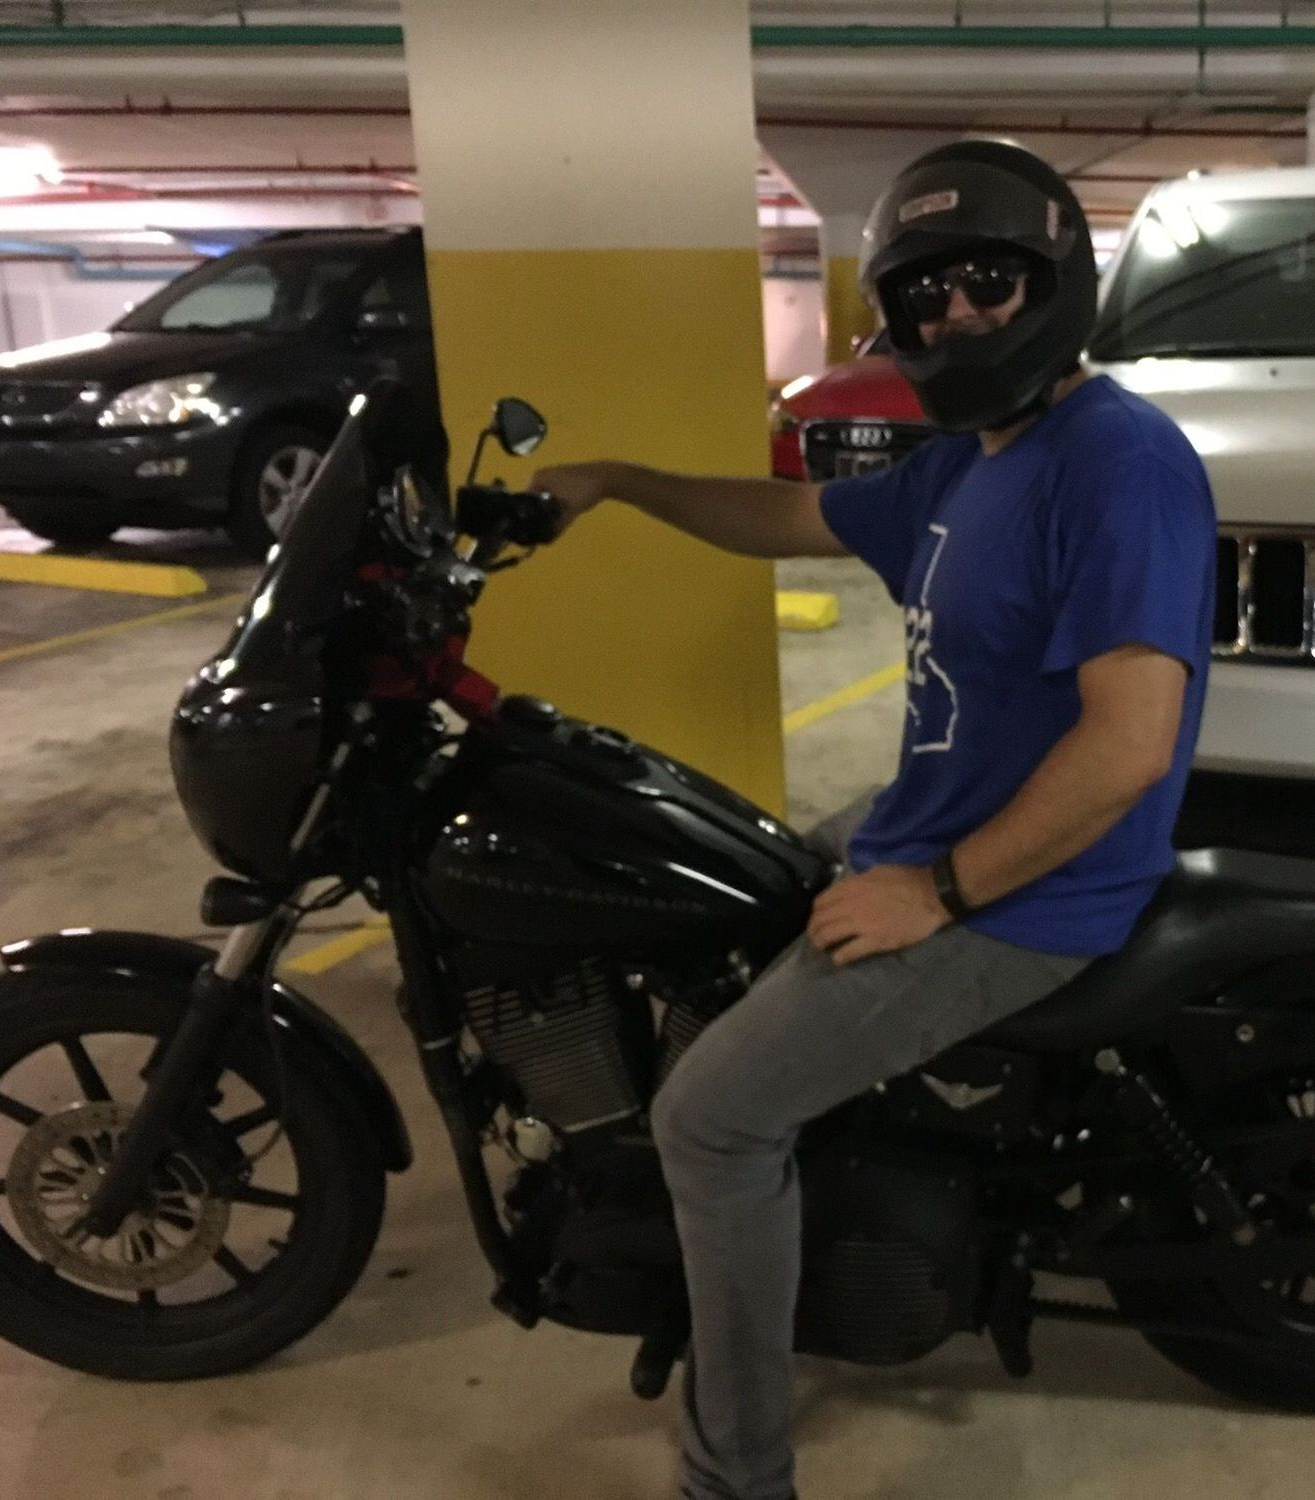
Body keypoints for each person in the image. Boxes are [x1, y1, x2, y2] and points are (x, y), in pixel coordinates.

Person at [529, 138, 1216, 1500]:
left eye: (989, 284)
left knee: (709, 1122)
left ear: (1056, 283)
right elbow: (790, 515)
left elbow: (1131, 743)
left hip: (1031, 894)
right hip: (931, 827)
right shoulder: (969, 461)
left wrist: (937, 893)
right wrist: (618, 483)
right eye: (923, 295)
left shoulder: (1117, 461)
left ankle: (737, 1476)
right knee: (715, 884)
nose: (955, 317)